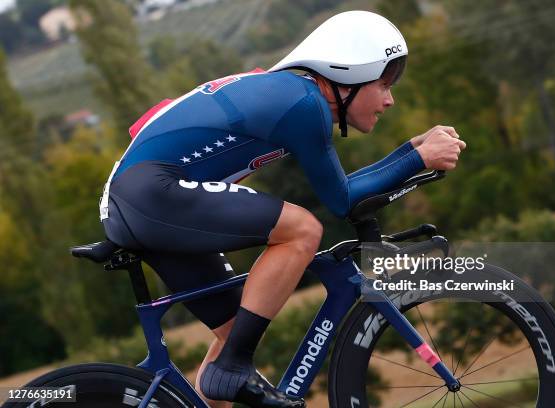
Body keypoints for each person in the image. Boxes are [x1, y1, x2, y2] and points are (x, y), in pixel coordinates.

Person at [99, 10, 466, 408]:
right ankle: (232, 369)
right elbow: (342, 200)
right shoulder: (303, 103)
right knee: (302, 229)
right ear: (347, 76)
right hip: (149, 195)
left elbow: (345, 190)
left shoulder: (292, 94)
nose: (390, 99)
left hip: (146, 200)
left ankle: (228, 370)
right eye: (383, 84)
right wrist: (417, 157)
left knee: (235, 332)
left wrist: (411, 152)